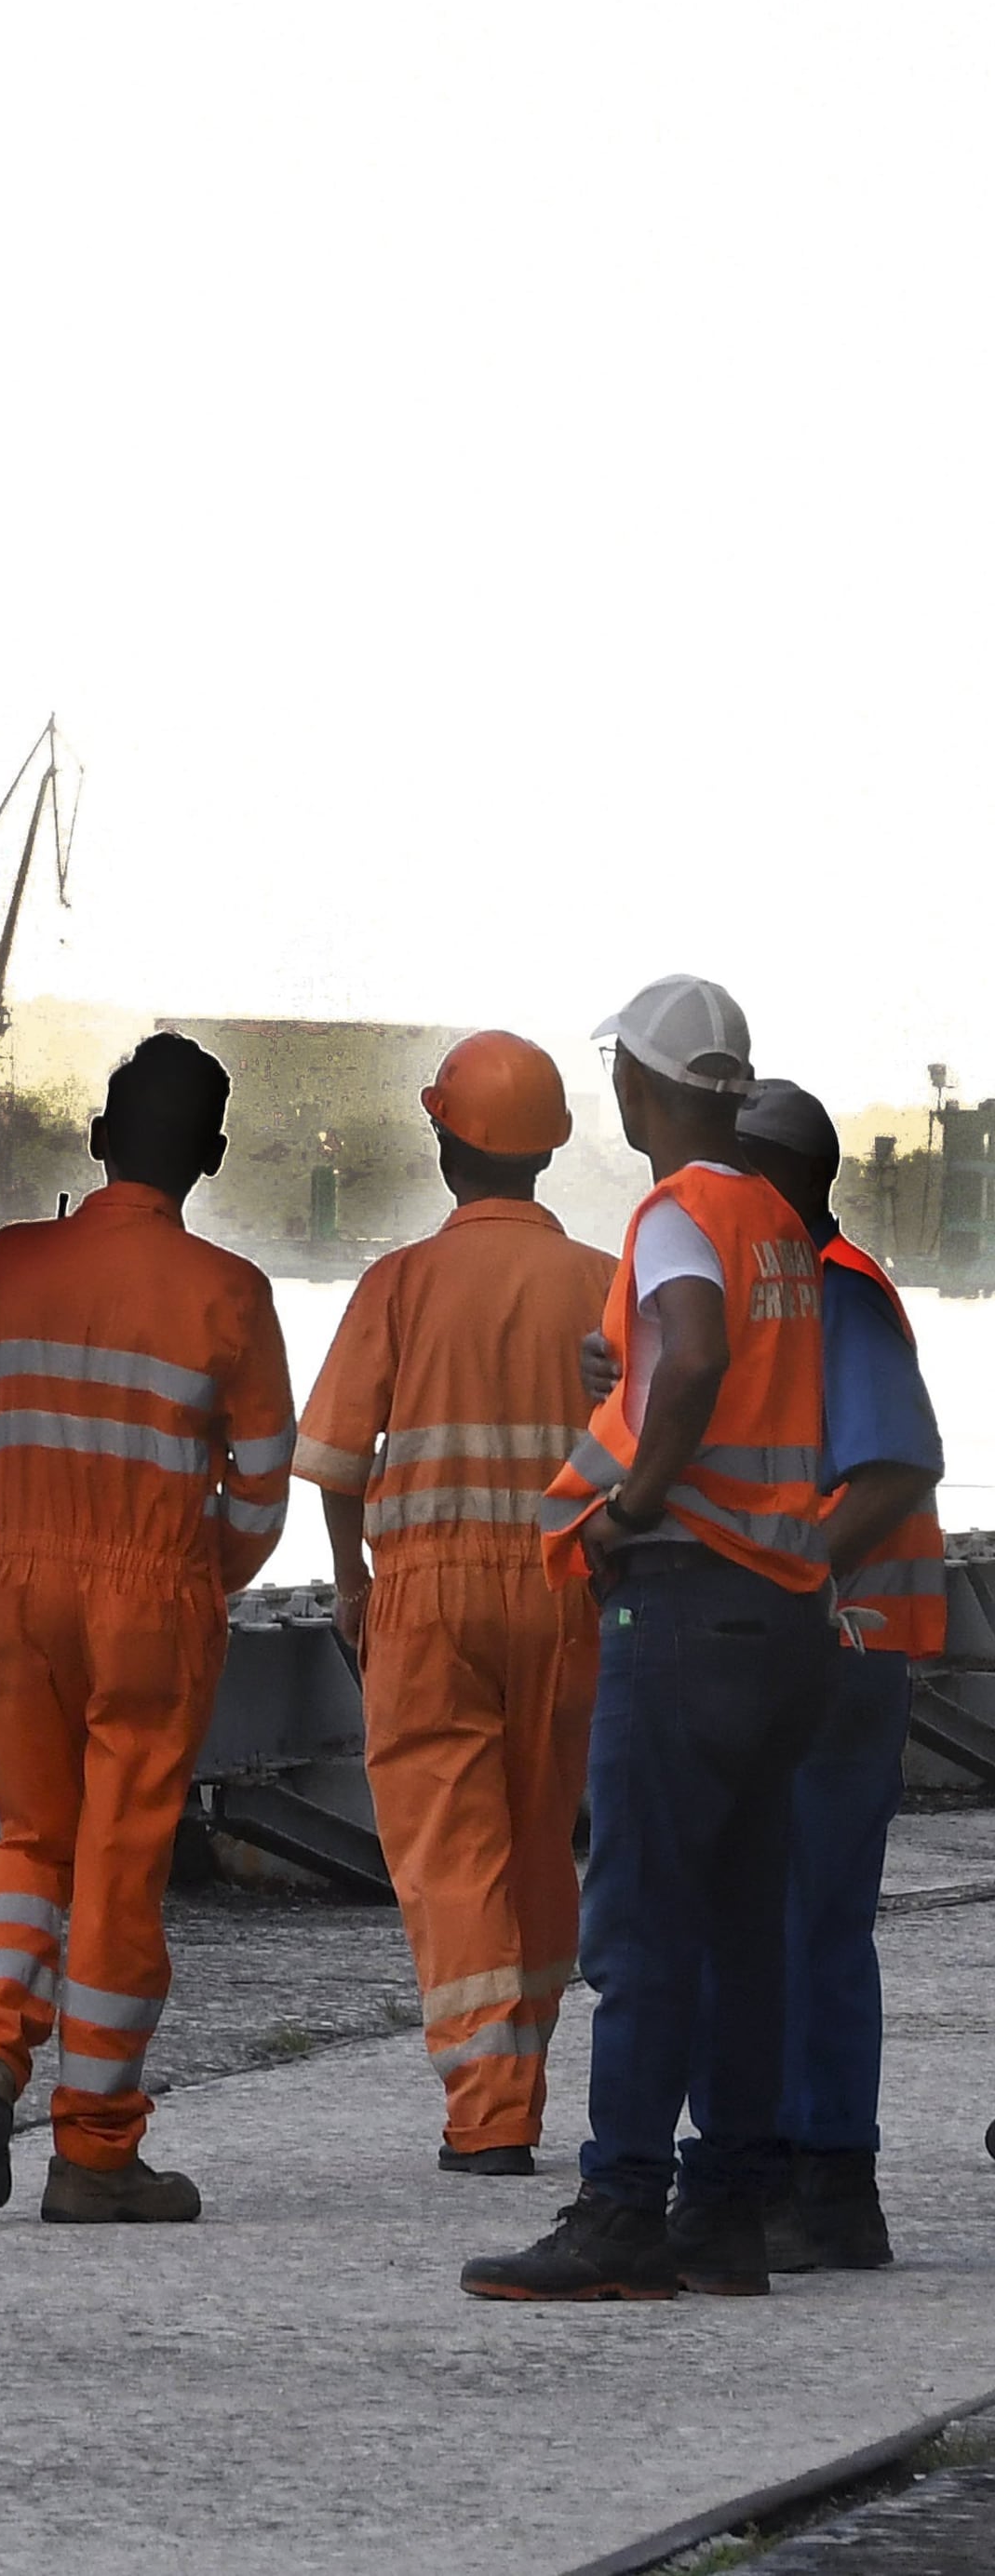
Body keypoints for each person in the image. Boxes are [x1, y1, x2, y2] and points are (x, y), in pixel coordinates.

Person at [463, 977, 839, 2301]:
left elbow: (691, 1357)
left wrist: (627, 1497)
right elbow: (728, 1374)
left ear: (644, 1085)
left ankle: (621, 2207)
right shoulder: (776, 1223)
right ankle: (727, 2210)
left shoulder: (679, 1211)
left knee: (636, 1927)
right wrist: (636, 1394)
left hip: (684, 1603)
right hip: (788, 1610)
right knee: (744, 1926)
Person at [0, 1033, 289, 2229]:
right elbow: (261, 1490)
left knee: (29, 1838)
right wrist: (198, 1579)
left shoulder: (7, 1263)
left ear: (94, 1138)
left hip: (19, 1579)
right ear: (212, 1159)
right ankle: (92, 2152)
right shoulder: (228, 1293)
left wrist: (31, 1530)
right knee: (120, 1865)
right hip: (153, 1596)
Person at [283, 1031, 614, 2179]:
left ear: (442, 1145)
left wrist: (349, 1582)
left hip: (424, 1598)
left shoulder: (401, 1283)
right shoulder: (602, 1285)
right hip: (565, 1590)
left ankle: (488, 2115)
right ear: (549, 1150)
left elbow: (329, 1460)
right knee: (535, 1842)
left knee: (445, 1851)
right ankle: (519, 2072)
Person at [727, 1077, 948, 2275]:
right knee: (786, 1921)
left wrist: (788, 1585)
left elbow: (895, 1463)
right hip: (813, 1651)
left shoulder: (833, 1291)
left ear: (775, 1184)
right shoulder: (777, 1294)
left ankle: (816, 2185)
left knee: (801, 1922)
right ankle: (806, 2185)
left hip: (835, 1654)